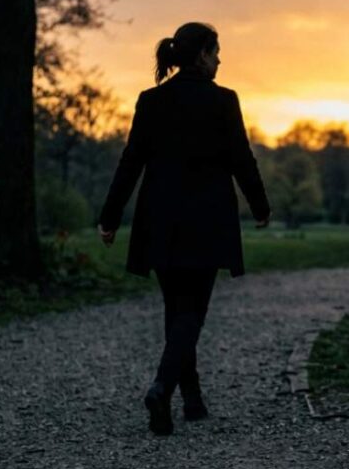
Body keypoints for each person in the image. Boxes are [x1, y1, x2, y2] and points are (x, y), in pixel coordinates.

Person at [97, 22, 271, 436]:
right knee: (192, 311)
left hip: (159, 218)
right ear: (200, 56)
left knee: (176, 309)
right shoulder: (223, 100)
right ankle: (162, 388)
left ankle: (191, 400)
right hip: (207, 219)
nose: (220, 59)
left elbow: (131, 161)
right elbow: (241, 159)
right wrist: (260, 205)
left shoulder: (151, 100)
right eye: (215, 52)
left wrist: (110, 216)